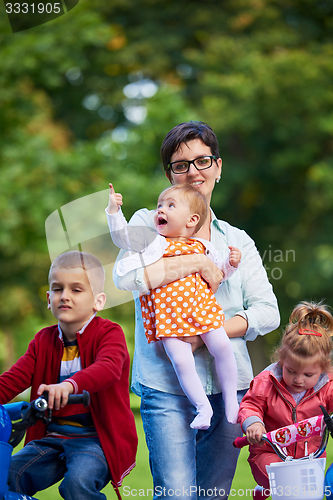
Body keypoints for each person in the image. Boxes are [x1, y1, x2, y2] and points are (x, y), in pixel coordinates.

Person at [112, 121, 280, 499]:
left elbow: (267, 312)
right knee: (174, 493)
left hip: (229, 387)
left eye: (202, 161)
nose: (192, 173)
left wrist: (205, 333)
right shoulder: (147, 222)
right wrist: (193, 264)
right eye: (180, 165)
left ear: (218, 168)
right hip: (165, 384)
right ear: (169, 174)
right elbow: (125, 280)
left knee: (214, 494)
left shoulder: (236, 240)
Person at [0, 250, 137, 500]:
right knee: (8, 477)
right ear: (48, 298)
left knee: (77, 483)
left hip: (95, 440)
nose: (64, 296)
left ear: (98, 301)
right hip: (51, 437)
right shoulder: (43, 340)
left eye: (76, 290)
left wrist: (69, 385)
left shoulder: (109, 333)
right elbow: (12, 380)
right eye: (57, 289)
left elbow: (108, 368)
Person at [107, 182, 240, 429]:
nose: (160, 211)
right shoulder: (154, 243)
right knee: (180, 361)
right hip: (168, 317)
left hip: (202, 309)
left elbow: (219, 275)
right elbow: (122, 238)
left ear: (191, 220)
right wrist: (114, 212)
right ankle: (203, 408)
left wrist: (232, 263)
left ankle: (231, 399)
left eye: (170, 205)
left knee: (222, 348)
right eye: (159, 206)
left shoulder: (204, 247)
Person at [238, 301, 333, 500]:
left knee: (310, 493)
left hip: (311, 454)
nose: (298, 379)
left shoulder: (327, 386)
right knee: (290, 487)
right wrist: (254, 422)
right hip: (269, 453)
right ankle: (267, 486)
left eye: (308, 374)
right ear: (282, 359)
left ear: (324, 369)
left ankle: (268, 490)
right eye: (291, 371)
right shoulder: (267, 381)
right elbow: (250, 404)